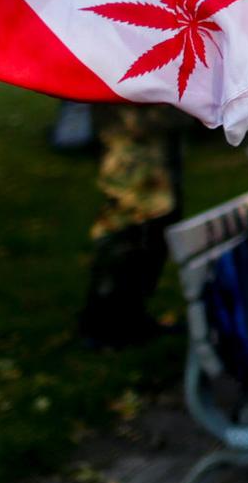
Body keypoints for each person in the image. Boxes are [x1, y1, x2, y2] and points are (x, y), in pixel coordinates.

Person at [78, 104, 182, 347]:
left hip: (152, 147)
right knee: (124, 231)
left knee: (152, 232)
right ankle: (102, 323)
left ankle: (130, 315)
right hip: (130, 147)